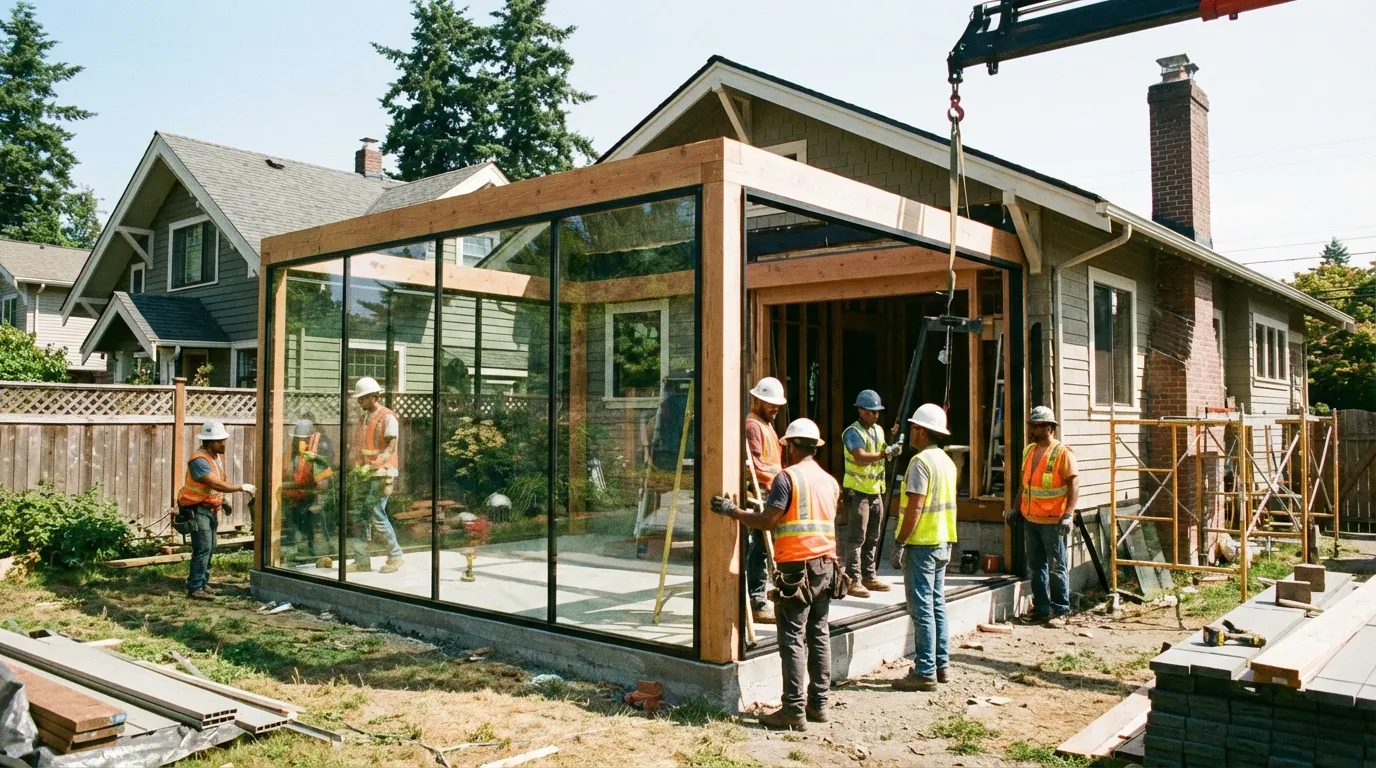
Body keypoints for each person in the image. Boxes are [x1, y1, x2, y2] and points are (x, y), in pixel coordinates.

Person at [712, 418, 841, 730]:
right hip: (827, 567)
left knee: (793, 639)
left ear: (793, 445)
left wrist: (734, 512)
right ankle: (819, 704)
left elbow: (769, 520)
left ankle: (793, 711)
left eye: (786, 446)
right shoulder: (829, 480)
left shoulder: (788, 478)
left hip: (797, 568)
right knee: (819, 634)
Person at [890, 404, 958, 691]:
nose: (910, 432)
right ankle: (941, 666)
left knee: (922, 610)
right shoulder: (946, 461)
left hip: (922, 544)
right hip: (943, 541)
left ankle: (925, 671)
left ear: (921, 431)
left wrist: (899, 542)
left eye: (913, 428)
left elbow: (915, 506)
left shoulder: (920, 463)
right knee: (937, 605)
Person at [1006, 406, 1080, 628]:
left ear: (1050, 428)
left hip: (1053, 521)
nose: (1034, 429)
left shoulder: (1062, 453)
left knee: (1056, 566)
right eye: (1033, 425)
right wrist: (1015, 508)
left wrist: (1068, 515)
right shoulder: (1029, 450)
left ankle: (1060, 610)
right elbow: (1024, 484)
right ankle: (1041, 609)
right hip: (1031, 519)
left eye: (1038, 426)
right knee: (1036, 566)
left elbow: (1073, 484)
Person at [177, 421, 254, 600]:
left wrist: (223, 500)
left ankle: (203, 582)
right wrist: (241, 487)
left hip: (209, 508)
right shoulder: (199, 460)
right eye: (219, 441)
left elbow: (213, 488)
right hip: (198, 509)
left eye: (223, 440)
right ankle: (195, 588)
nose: (223, 444)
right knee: (203, 548)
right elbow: (215, 483)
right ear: (208, 442)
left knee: (210, 547)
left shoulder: (214, 458)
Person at [840, 390, 903, 597]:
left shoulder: (878, 431)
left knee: (873, 537)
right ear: (861, 411)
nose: (876, 415)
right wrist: (885, 453)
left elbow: (882, 451)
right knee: (857, 538)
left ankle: (868, 575)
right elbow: (860, 457)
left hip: (875, 492)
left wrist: (892, 450)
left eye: (877, 412)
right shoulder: (852, 433)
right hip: (857, 492)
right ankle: (853, 579)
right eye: (872, 412)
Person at [348, 376, 405, 574]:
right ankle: (362, 560)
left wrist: (372, 466)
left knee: (376, 513)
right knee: (358, 515)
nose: (359, 402)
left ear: (373, 397)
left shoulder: (388, 417)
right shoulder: (363, 419)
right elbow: (359, 447)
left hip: (382, 473)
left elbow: (390, 448)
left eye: (362, 398)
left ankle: (396, 556)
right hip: (366, 473)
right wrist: (357, 465)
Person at [744, 376, 787, 624]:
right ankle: (757, 597)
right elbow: (757, 466)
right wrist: (781, 478)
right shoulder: (753, 425)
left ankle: (763, 592)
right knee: (759, 546)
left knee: (766, 546)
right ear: (757, 400)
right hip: (761, 492)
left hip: (772, 490)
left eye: (777, 405)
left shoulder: (766, 424)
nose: (775, 408)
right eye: (771, 404)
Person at [281, 418, 335, 563]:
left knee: (317, 524)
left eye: (302, 438)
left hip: (316, 492)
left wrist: (316, 461)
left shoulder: (322, 445)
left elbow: (328, 470)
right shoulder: (294, 448)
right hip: (299, 492)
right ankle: (306, 554)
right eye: (297, 438)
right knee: (301, 524)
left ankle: (322, 555)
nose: (299, 441)